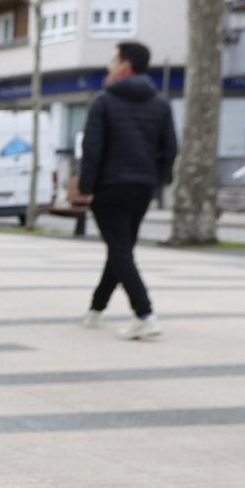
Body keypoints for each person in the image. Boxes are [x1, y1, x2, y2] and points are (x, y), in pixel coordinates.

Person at [71, 41, 177, 339]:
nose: (109, 66)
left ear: (125, 66)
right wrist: (154, 180)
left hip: (109, 188)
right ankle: (96, 309)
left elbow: (92, 149)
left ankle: (144, 314)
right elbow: (170, 149)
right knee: (121, 250)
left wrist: (87, 188)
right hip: (141, 188)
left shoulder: (103, 102)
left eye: (113, 61)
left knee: (120, 250)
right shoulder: (161, 103)